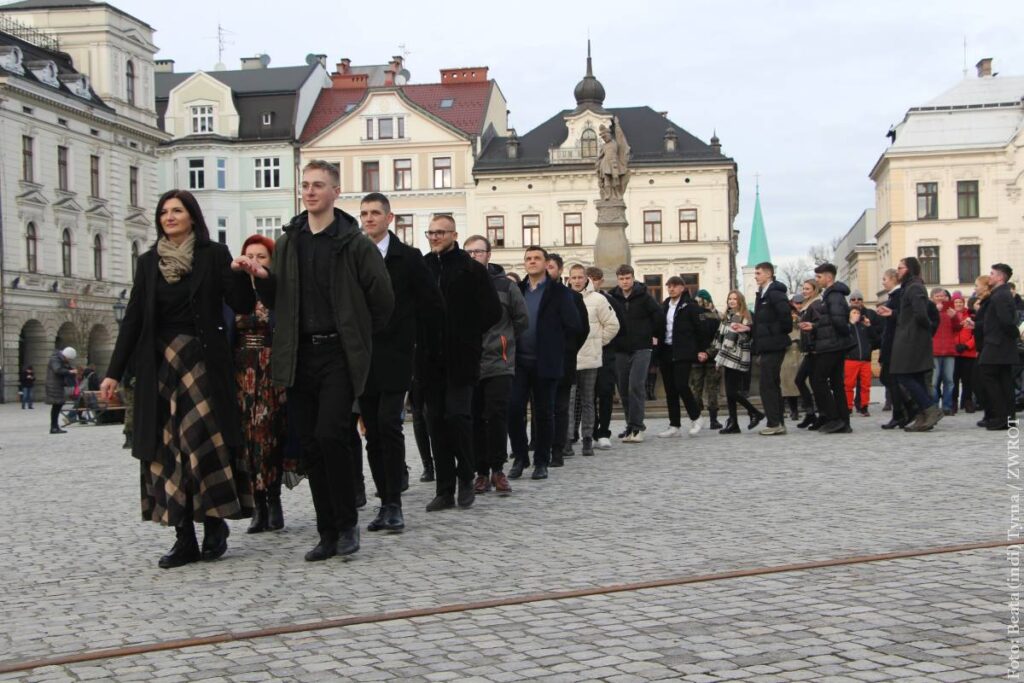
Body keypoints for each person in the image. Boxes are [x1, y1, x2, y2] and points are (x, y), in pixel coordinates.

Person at [234, 161, 395, 562]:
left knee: (331, 434)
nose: (309, 191)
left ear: (336, 192)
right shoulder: (290, 240)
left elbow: (383, 300)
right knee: (310, 445)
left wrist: (356, 337)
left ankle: (346, 524)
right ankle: (328, 531)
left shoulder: (354, 243)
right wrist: (261, 277)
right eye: (305, 185)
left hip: (338, 353)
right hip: (298, 354)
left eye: (318, 185)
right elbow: (278, 300)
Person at [100, 189, 256, 569]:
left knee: (203, 442)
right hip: (160, 368)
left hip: (203, 365)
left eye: (177, 211)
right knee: (168, 451)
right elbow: (134, 319)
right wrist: (112, 373)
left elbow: (243, 305)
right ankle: (183, 536)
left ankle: (215, 522)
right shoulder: (148, 263)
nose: (169, 217)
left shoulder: (212, 255)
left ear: (192, 217)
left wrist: (241, 275)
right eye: (164, 212)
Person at [358, 193, 444, 532]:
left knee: (389, 425)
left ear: (389, 218)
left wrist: (421, 347)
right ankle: (384, 499)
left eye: (375, 213)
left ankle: (394, 503)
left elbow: (432, 306)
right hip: (362, 357)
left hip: (396, 356)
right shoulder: (353, 255)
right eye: (364, 213)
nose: (369, 219)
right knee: (373, 434)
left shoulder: (408, 258)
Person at [421, 216, 501, 509]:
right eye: (431, 232)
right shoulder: (424, 267)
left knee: (458, 417)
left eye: (440, 232)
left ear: (454, 234)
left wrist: (467, 332)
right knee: (436, 421)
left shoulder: (471, 269)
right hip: (429, 358)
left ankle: (466, 478)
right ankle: (444, 488)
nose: (435, 236)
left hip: (462, 356)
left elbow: (492, 311)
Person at [508, 246, 582, 480]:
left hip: (546, 362)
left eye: (537, 258)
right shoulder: (517, 290)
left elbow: (575, 328)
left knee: (544, 413)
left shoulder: (559, 292)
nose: (532, 262)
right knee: (514, 409)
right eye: (528, 259)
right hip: (518, 362)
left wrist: (559, 352)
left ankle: (542, 461)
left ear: (545, 262)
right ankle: (520, 457)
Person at [230, 235, 287, 534]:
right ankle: (258, 504)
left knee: (268, 438)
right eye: (248, 255)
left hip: (270, 370)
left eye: (261, 256)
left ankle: (274, 501)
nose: (253, 261)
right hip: (241, 371)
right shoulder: (234, 292)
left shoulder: (276, 291)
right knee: (247, 441)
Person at [465, 235, 528, 494]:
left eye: (477, 252)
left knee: (497, 415)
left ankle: (498, 470)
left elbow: (521, 319)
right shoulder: (459, 283)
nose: (473, 257)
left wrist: (505, 340)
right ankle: (480, 472)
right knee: (475, 418)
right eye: (468, 252)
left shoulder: (505, 285)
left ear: (489, 255)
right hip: (469, 361)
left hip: (500, 361)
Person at [567, 264, 619, 455]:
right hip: (570, 359)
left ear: (586, 278)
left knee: (588, 400)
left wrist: (598, 343)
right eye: (574, 277)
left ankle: (588, 437)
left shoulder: (598, 299)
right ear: (569, 278)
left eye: (580, 277)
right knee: (569, 401)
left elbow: (613, 325)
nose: (577, 281)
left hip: (590, 358)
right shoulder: (564, 297)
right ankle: (567, 438)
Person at [887, 257, 943, 432]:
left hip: (913, 339)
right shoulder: (909, 287)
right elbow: (910, 314)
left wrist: (927, 330)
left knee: (903, 375)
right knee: (916, 377)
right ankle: (922, 415)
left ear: (910, 269)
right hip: (910, 336)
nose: (898, 271)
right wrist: (893, 313)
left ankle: (930, 409)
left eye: (901, 268)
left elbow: (921, 313)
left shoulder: (915, 287)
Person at [610, 264, 662, 442]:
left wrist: (654, 335)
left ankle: (638, 427)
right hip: (620, 348)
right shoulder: (612, 297)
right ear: (618, 280)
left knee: (636, 386)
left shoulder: (645, 296)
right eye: (622, 278)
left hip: (641, 347)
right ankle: (630, 425)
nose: (625, 282)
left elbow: (658, 316)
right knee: (623, 389)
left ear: (633, 278)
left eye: (627, 278)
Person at [799, 263, 854, 434]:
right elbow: (830, 320)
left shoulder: (834, 295)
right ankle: (843, 421)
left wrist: (844, 335)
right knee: (836, 383)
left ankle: (834, 417)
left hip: (831, 345)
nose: (817, 280)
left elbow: (838, 321)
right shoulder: (831, 295)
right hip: (834, 343)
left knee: (818, 379)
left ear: (828, 277)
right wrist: (814, 326)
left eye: (819, 277)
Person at [547, 255, 589, 465]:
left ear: (559, 270)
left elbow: (581, 329)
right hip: (540, 359)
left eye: (551, 266)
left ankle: (562, 445)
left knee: (563, 405)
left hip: (564, 359)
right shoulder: (529, 293)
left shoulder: (573, 297)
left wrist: (569, 350)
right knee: (542, 406)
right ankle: (540, 444)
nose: (547, 269)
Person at [656, 277, 709, 437]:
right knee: (670, 389)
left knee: (681, 385)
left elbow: (702, 330)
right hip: (666, 350)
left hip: (683, 352)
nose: (671, 289)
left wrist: (702, 349)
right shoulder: (664, 306)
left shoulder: (691, 306)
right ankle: (674, 424)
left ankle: (697, 417)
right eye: (669, 286)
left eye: (674, 286)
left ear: (682, 288)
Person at [586, 266, 627, 450]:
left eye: (595, 279)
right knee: (588, 395)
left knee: (604, 392)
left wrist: (601, 341)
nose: (591, 283)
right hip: (585, 354)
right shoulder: (577, 299)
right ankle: (590, 431)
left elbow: (620, 326)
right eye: (589, 279)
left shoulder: (609, 300)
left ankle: (603, 431)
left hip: (606, 352)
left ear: (601, 281)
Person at [711, 291, 763, 433]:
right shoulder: (728, 316)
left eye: (735, 299)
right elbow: (720, 337)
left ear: (740, 301)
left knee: (732, 391)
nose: (731, 301)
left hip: (736, 356)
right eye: (730, 298)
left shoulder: (740, 316)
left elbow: (729, 340)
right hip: (728, 355)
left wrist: (718, 359)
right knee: (730, 392)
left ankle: (754, 412)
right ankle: (734, 422)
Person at [975, 263, 1019, 430]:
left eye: (992, 273)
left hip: (997, 344)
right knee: (1004, 380)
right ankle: (1008, 417)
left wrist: (1014, 334)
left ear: (1000, 277)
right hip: (1001, 343)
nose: (990, 276)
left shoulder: (1000, 295)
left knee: (990, 376)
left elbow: (1006, 321)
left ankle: (1002, 416)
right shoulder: (1002, 294)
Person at [750, 262, 793, 435]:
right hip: (767, 344)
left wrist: (773, 333)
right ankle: (778, 421)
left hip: (774, 344)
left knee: (767, 384)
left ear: (768, 274)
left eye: (758, 273)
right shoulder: (762, 294)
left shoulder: (775, 293)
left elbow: (785, 319)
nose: (755, 276)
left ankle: (774, 422)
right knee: (772, 384)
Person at [876, 268, 912, 430]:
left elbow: (903, 316)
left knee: (890, 377)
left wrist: (891, 313)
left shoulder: (898, 295)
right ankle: (903, 410)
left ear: (893, 279)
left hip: (895, 343)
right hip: (890, 342)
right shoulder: (893, 296)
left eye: (884, 279)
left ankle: (904, 410)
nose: (883, 282)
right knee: (889, 378)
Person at [690, 290, 723, 429]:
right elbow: (719, 339)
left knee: (696, 388)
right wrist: (708, 353)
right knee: (712, 389)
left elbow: (690, 337)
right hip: (713, 357)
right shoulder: (717, 316)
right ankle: (713, 420)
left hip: (697, 357)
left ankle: (697, 419)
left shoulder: (693, 316)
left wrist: (699, 352)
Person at [794, 280, 821, 429]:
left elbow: (819, 324)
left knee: (811, 382)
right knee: (803, 380)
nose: (804, 291)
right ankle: (811, 413)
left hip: (814, 350)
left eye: (807, 289)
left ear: (815, 290)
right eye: (803, 288)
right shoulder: (807, 305)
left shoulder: (815, 305)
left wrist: (811, 328)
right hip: (809, 349)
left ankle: (817, 414)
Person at [930, 287, 961, 415]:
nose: (940, 298)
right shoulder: (929, 311)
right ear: (932, 298)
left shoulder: (950, 312)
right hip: (934, 351)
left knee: (949, 381)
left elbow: (957, 328)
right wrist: (934, 313)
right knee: (934, 382)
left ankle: (947, 407)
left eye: (942, 296)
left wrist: (954, 317)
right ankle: (935, 406)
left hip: (949, 351)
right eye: (937, 296)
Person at [843, 308, 874, 416]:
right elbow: (843, 337)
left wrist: (869, 325)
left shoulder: (863, 327)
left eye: (858, 313)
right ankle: (848, 407)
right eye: (854, 312)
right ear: (849, 315)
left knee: (866, 385)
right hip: (851, 360)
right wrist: (851, 323)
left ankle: (864, 406)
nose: (856, 314)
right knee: (849, 385)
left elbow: (875, 338)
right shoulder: (847, 326)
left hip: (865, 360)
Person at [951, 292, 978, 413]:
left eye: (960, 302)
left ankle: (967, 401)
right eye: (956, 302)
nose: (958, 304)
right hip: (954, 353)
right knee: (954, 379)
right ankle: (953, 402)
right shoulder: (950, 316)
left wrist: (967, 346)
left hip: (968, 352)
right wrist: (954, 346)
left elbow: (976, 334)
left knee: (968, 380)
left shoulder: (971, 315)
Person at [45, 347, 76, 434]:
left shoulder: (60, 359)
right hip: (54, 386)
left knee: (58, 405)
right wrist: (70, 372)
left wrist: (70, 370)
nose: (68, 360)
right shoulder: (55, 359)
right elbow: (57, 370)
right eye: (68, 358)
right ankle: (54, 427)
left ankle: (55, 426)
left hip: (58, 385)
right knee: (56, 405)